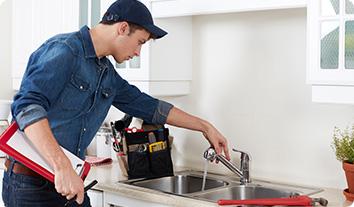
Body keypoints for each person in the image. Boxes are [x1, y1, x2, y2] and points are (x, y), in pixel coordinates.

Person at [3, 0, 230, 206]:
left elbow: (148, 106)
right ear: (122, 28)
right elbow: (26, 107)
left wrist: (205, 126)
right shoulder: (65, 50)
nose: (139, 52)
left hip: (69, 183)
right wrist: (62, 166)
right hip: (31, 185)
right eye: (139, 42)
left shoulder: (106, 73)